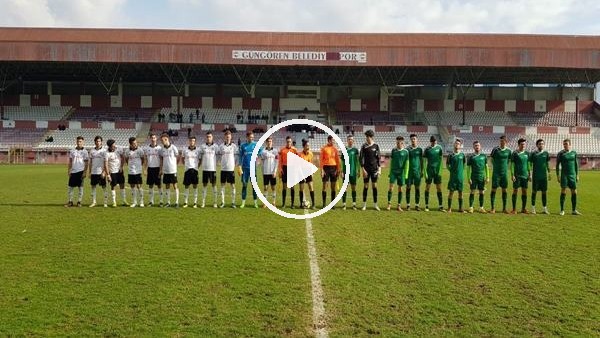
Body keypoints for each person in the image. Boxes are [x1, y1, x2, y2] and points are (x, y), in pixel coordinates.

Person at [556, 139, 581, 215]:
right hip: (564, 175)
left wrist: (577, 175)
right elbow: (557, 165)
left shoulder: (574, 153)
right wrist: (558, 176)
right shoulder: (560, 153)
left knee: (574, 191)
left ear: (570, 144)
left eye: (566, 144)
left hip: (572, 175)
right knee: (563, 191)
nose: (565, 145)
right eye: (564, 144)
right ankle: (562, 210)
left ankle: (574, 210)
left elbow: (576, 165)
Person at [238, 131, 262, 208]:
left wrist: (258, 157)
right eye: (250, 137)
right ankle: (243, 203)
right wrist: (239, 166)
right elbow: (240, 157)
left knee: (254, 186)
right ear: (247, 137)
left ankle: (255, 203)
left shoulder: (255, 145)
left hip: (253, 169)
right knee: (244, 185)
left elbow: (261, 150)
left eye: (252, 137)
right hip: (244, 169)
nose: (251, 138)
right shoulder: (243, 146)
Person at [359, 130, 381, 211]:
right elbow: (360, 158)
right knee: (365, 186)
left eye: (368, 137)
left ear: (371, 137)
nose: (366, 138)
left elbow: (378, 158)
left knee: (374, 186)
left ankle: (375, 205)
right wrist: (363, 169)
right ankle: (364, 205)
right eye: (366, 137)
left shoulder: (376, 146)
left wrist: (379, 169)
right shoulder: (364, 146)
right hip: (366, 169)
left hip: (374, 169)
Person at [490, 135, 512, 214]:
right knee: (493, 189)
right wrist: (495, 166)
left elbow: (509, 160)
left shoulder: (509, 151)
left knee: (504, 190)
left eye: (503, 140)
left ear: (506, 141)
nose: (502, 142)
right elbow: (491, 159)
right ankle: (492, 208)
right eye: (501, 140)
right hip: (496, 173)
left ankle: (504, 208)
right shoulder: (495, 149)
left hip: (504, 174)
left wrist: (505, 167)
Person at [65, 136, 89, 207]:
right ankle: (70, 201)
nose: (79, 143)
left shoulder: (85, 151)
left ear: (83, 142)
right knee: (70, 187)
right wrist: (69, 170)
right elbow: (70, 161)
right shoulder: (72, 151)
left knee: (80, 187)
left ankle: (79, 202)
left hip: (81, 171)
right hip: (73, 171)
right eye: (78, 141)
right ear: (76, 142)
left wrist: (85, 172)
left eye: (80, 141)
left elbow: (87, 162)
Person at [387, 136, 409, 211]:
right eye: (397, 142)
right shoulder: (393, 150)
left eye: (399, 142)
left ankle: (399, 205)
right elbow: (391, 162)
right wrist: (390, 172)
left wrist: (405, 174)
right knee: (390, 188)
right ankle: (389, 204)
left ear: (402, 142)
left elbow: (407, 163)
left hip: (401, 173)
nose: (398, 144)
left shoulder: (406, 152)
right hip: (393, 172)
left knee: (400, 189)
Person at [529, 139, 551, 214]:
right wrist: (530, 174)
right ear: (537, 145)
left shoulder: (546, 153)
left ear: (544, 145)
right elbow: (530, 164)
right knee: (534, 192)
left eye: (542, 144)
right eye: (539, 144)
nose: (541, 145)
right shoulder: (533, 153)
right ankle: (533, 208)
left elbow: (547, 164)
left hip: (543, 177)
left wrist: (549, 173)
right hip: (536, 176)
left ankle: (544, 208)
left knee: (544, 192)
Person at [466, 140, 489, 213]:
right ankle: (471, 207)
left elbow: (486, 167)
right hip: (473, 177)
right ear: (473, 147)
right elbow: (468, 168)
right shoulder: (471, 156)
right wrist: (468, 178)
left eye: (478, 145)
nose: (477, 147)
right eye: (475, 145)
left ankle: (481, 207)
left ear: (480, 146)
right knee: (472, 191)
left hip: (481, 177)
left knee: (482, 192)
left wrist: (488, 177)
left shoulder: (484, 156)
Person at [423, 135, 444, 212]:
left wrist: (440, 171)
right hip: (429, 171)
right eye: (433, 141)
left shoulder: (439, 148)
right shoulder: (427, 149)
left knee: (439, 188)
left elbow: (441, 160)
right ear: (430, 141)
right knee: (427, 187)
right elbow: (424, 161)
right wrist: (425, 172)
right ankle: (426, 206)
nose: (434, 142)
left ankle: (441, 206)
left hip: (437, 171)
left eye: (435, 141)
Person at [159, 132, 180, 207]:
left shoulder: (173, 147)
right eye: (161, 141)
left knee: (175, 186)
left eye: (162, 140)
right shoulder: (162, 149)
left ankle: (177, 202)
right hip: (165, 171)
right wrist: (161, 170)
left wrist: (174, 165)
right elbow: (161, 159)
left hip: (173, 170)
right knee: (167, 186)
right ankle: (168, 202)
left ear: (166, 139)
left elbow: (178, 157)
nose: (162, 142)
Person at [104, 139, 127, 207]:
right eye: (113, 145)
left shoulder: (119, 149)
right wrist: (108, 175)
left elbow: (123, 158)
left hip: (119, 171)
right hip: (113, 171)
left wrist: (121, 167)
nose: (114, 146)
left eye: (114, 144)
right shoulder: (106, 153)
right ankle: (114, 201)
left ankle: (124, 200)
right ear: (109, 146)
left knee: (122, 184)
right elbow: (106, 164)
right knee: (113, 186)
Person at [218, 130, 238, 208]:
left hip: (231, 169)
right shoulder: (221, 146)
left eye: (229, 136)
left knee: (232, 185)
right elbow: (219, 155)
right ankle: (223, 202)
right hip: (223, 169)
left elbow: (236, 156)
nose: (227, 137)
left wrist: (235, 164)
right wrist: (220, 162)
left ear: (231, 137)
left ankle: (233, 202)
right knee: (222, 185)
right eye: (226, 136)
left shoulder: (234, 146)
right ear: (224, 137)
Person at [124, 136, 146, 208]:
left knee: (139, 186)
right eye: (134, 143)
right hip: (131, 171)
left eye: (136, 143)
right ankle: (134, 202)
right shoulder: (127, 151)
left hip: (138, 171)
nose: (135, 144)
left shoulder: (140, 150)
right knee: (132, 187)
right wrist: (130, 166)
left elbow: (143, 159)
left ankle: (141, 202)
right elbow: (126, 159)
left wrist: (140, 166)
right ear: (130, 144)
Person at [510, 138, 530, 214]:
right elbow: (512, 164)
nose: (523, 145)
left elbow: (528, 164)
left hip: (525, 176)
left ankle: (523, 209)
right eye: (522, 144)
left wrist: (530, 173)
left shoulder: (527, 153)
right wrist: (512, 175)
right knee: (515, 190)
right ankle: (514, 209)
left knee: (524, 191)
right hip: (517, 175)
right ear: (518, 145)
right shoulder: (514, 153)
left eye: (524, 144)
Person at [320, 135, 341, 209]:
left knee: (333, 187)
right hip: (326, 168)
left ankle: (332, 204)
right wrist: (322, 170)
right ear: (329, 140)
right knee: (324, 186)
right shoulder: (323, 148)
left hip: (334, 168)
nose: (334, 141)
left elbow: (338, 160)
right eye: (332, 140)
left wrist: (338, 170)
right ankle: (324, 204)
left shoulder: (335, 149)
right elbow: (321, 160)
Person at [446, 139, 466, 213]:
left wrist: (460, 171)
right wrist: (450, 170)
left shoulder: (462, 155)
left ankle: (460, 208)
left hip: (460, 178)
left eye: (458, 144)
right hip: (453, 177)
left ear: (460, 146)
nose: (457, 144)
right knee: (451, 192)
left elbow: (464, 164)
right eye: (456, 143)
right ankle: (449, 208)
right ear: (454, 145)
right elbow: (447, 164)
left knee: (460, 193)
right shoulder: (450, 155)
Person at [199, 131, 219, 208]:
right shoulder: (202, 146)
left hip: (213, 169)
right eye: (207, 137)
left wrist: (217, 163)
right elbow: (200, 157)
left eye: (210, 137)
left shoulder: (216, 146)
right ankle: (203, 202)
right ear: (206, 138)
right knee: (204, 185)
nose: (208, 138)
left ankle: (215, 202)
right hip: (205, 169)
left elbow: (219, 155)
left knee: (214, 185)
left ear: (212, 137)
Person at [341, 135, 361, 210]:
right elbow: (342, 161)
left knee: (353, 188)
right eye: (349, 139)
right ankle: (344, 204)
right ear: (347, 140)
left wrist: (358, 170)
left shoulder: (355, 150)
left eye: (351, 139)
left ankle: (354, 204)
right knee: (345, 189)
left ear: (353, 141)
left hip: (353, 172)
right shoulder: (344, 149)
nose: (350, 140)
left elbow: (358, 161)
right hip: (346, 172)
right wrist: (342, 171)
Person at [279, 136, 298, 208]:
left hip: (292, 168)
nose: (288, 143)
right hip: (284, 168)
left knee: (292, 187)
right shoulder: (282, 150)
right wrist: (280, 169)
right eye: (287, 142)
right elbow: (280, 161)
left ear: (291, 142)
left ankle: (292, 204)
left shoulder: (294, 150)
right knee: (284, 187)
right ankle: (283, 204)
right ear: (286, 142)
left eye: (290, 141)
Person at [88, 135, 108, 207]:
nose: (97, 142)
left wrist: (104, 172)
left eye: (99, 141)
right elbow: (90, 163)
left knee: (104, 187)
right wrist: (89, 172)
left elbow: (106, 163)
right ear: (95, 142)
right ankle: (94, 202)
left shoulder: (104, 151)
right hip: (93, 172)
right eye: (96, 141)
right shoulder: (92, 151)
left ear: (101, 142)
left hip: (101, 172)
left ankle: (105, 203)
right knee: (93, 187)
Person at [181, 136, 201, 208]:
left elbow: (200, 160)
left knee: (195, 186)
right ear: (189, 141)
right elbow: (182, 159)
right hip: (187, 170)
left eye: (193, 141)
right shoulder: (185, 150)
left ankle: (195, 202)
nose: (192, 142)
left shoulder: (198, 150)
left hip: (195, 170)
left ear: (195, 142)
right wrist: (186, 166)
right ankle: (185, 202)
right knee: (186, 186)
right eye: (191, 141)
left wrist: (196, 167)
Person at [144, 133, 163, 207]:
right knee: (150, 185)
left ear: (156, 139)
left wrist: (161, 169)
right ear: (150, 139)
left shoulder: (159, 148)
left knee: (159, 185)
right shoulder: (147, 148)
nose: (153, 139)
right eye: (152, 138)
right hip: (150, 168)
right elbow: (145, 160)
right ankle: (151, 201)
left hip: (157, 168)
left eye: (154, 137)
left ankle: (161, 201)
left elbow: (161, 160)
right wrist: (145, 169)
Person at [406, 134, 424, 211]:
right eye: (412, 139)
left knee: (417, 188)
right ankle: (408, 205)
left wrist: (422, 171)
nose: (413, 140)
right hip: (409, 172)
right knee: (408, 188)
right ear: (410, 140)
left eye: (414, 139)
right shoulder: (407, 149)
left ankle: (417, 205)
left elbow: (422, 161)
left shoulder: (420, 149)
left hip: (417, 172)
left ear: (417, 140)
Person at [260, 136, 278, 207]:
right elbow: (261, 161)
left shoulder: (275, 151)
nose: (269, 143)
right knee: (265, 188)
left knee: (273, 187)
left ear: (272, 142)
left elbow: (277, 161)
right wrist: (262, 171)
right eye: (268, 142)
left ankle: (273, 202)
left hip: (272, 172)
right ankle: (265, 203)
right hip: (266, 172)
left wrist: (275, 171)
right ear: (266, 143)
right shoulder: (263, 151)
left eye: (270, 141)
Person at [299, 139, 316, 209]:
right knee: (301, 189)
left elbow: (311, 164)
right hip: (301, 173)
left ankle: (313, 204)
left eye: (309, 145)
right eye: (307, 145)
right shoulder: (300, 154)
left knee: (311, 187)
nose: (308, 147)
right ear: (304, 146)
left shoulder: (311, 154)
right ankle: (301, 204)